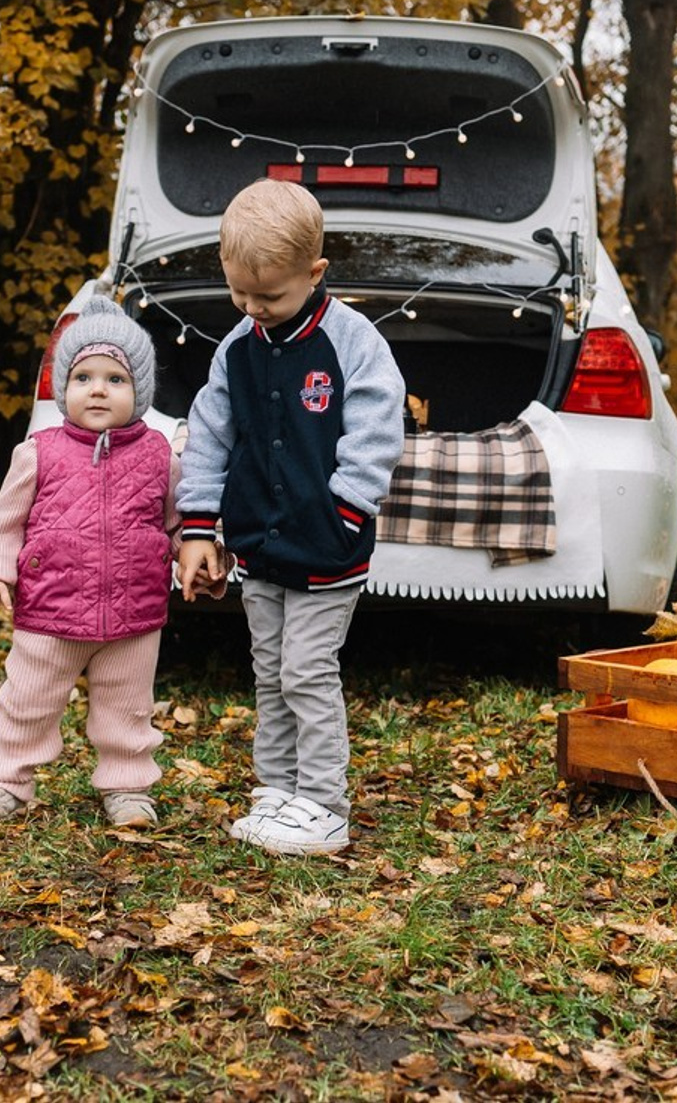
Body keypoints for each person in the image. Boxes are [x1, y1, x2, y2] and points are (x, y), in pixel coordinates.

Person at [177, 178, 406, 855]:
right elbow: (210, 436)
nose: (253, 308)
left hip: (328, 547)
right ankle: (277, 790)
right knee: (270, 668)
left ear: (315, 274)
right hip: (258, 546)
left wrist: (343, 508)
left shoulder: (352, 343)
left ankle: (324, 805)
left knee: (307, 669)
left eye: (270, 296)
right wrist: (199, 527)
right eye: (240, 294)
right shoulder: (236, 350)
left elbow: (375, 430)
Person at [0, 295, 190, 828]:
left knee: (128, 710)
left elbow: (178, 523)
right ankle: (3, 780)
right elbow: (4, 522)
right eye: (83, 376)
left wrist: (196, 556)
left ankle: (128, 786)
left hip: (134, 615)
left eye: (115, 379)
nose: (97, 389)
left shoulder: (161, 455)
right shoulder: (38, 452)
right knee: (28, 702)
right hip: (50, 611)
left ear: (140, 392)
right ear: (64, 387)